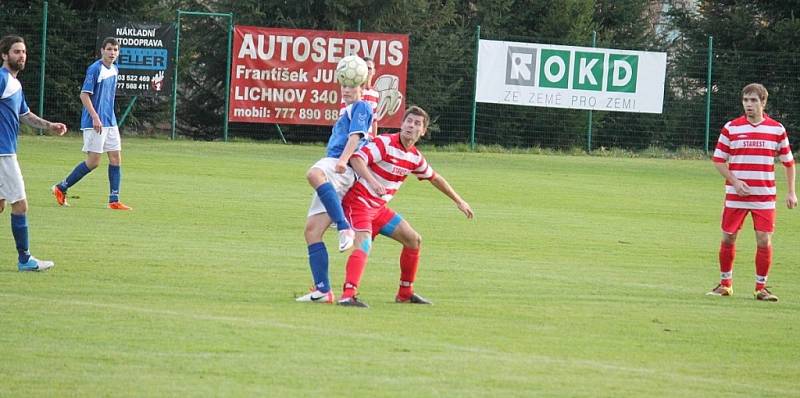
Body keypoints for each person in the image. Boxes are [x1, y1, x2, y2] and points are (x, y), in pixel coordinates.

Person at [337, 105, 474, 307]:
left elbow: (435, 178)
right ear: (401, 124)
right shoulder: (385, 142)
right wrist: (373, 182)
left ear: (423, 131)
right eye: (408, 121)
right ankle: (348, 295)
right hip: (359, 203)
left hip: (379, 209)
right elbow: (357, 159)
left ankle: (405, 293)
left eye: (417, 123)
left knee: (413, 240)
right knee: (364, 244)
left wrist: (459, 201)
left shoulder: (415, 157)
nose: (411, 126)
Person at [707, 83, 796, 302]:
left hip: (764, 196)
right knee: (728, 237)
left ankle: (761, 288)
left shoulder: (776, 129)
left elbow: (789, 162)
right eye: (746, 100)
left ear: (763, 102)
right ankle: (725, 284)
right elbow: (718, 160)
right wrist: (735, 181)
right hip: (736, 195)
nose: (749, 104)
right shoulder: (732, 128)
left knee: (764, 240)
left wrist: (792, 192)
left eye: (753, 100)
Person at [295, 59, 374, 303]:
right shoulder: (349, 109)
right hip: (337, 167)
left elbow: (356, 136)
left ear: (361, 86)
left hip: (340, 167)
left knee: (313, 174)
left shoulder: (362, 106)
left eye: (351, 86)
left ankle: (343, 227)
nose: (346, 91)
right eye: (343, 87)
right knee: (312, 231)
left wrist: (343, 160)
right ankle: (322, 290)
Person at [0, 35, 68, 271]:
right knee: (20, 205)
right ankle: (25, 259)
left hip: (6, 153)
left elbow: (25, 115)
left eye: (24, 52)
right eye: (16, 51)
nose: (21, 56)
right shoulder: (1, 78)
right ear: (4, 55)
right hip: (3, 154)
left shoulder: (14, 84)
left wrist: (50, 126)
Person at [51, 37, 131, 210]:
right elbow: (84, 95)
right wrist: (95, 116)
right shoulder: (95, 69)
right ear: (102, 50)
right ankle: (61, 187)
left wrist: (108, 117)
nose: (112, 52)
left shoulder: (115, 70)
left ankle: (114, 200)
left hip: (110, 122)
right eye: (109, 49)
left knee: (116, 158)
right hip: (95, 122)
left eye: (115, 50)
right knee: (94, 162)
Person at [339, 56, 378, 139]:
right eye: (365, 68)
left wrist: (374, 139)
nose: (367, 70)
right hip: (351, 136)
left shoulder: (375, 94)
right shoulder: (352, 90)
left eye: (369, 68)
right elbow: (343, 116)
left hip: (368, 140)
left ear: (374, 71)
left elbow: (374, 120)